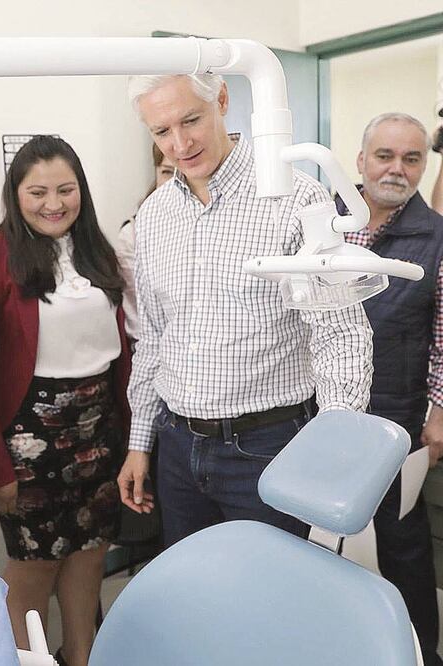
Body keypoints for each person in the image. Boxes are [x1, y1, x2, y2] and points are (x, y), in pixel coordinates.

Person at [117, 74, 373, 547]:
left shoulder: (297, 197)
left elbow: (340, 333)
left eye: (190, 120)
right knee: (194, 596)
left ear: (222, 99)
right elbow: (153, 337)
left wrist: (335, 443)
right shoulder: (153, 216)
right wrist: (140, 441)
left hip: (267, 445)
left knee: (270, 601)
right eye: (160, 132)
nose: (180, 144)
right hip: (177, 445)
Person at [0, 135, 131, 666]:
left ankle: (81, 656)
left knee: (88, 556)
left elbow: (122, 351)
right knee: (32, 569)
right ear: (15, 195)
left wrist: (133, 443)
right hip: (29, 441)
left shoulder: (98, 249)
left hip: (101, 429)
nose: (53, 203)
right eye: (37, 192)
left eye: (66, 189)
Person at [336, 112, 443, 666]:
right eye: (385, 156)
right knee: (319, 532)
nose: (397, 169)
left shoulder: (437, 238)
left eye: (412, 158)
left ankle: (420, 649)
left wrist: (441, 410)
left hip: (395, 408)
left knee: (401, 539)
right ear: (360, 160)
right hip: (317, 407)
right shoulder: (321, 221)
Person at [115, 143, 176, 339]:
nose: (175, 182)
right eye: (167, 172)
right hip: (154, 347)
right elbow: (137, 313)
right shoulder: (134, 233)